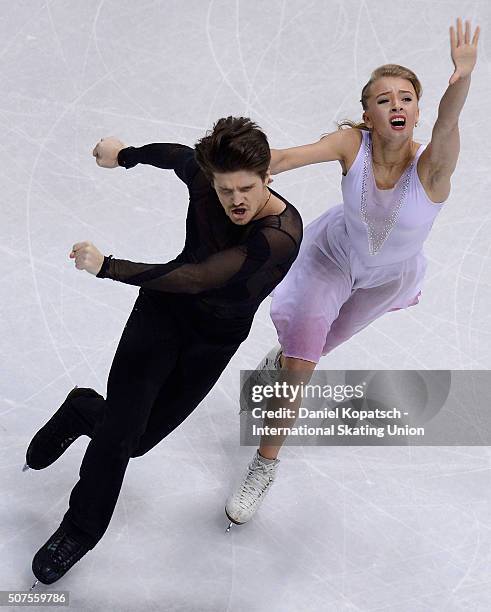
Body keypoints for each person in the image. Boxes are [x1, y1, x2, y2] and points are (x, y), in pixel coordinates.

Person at [25, 116, 303, 586]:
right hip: (160, 316)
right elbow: (177, 155)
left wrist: (108, 267)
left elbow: (200, 277)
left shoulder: (280, 234)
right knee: (118, 436)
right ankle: (79, 531)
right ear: (212, 180)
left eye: (246, 189)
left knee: (138, 440)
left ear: (267, 179)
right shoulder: (203, 176)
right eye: (225, 190)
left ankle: (80, 410)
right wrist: (125, 155)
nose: (236, 201)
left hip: (210, 341)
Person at [225, 17, 480, 527]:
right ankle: (265, 462)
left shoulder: (431, 168)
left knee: (314, 346)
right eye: (384, 99)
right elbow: (293, 155)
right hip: (333, 257)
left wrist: (462, 78)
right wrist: (251, 168)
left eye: (406, 97)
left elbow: (448, 125)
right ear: (368, 113)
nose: (396, 105)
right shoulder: (351, 145)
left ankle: (288, 353)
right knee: (303, 361)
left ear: (418, 109)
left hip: (387, 279)